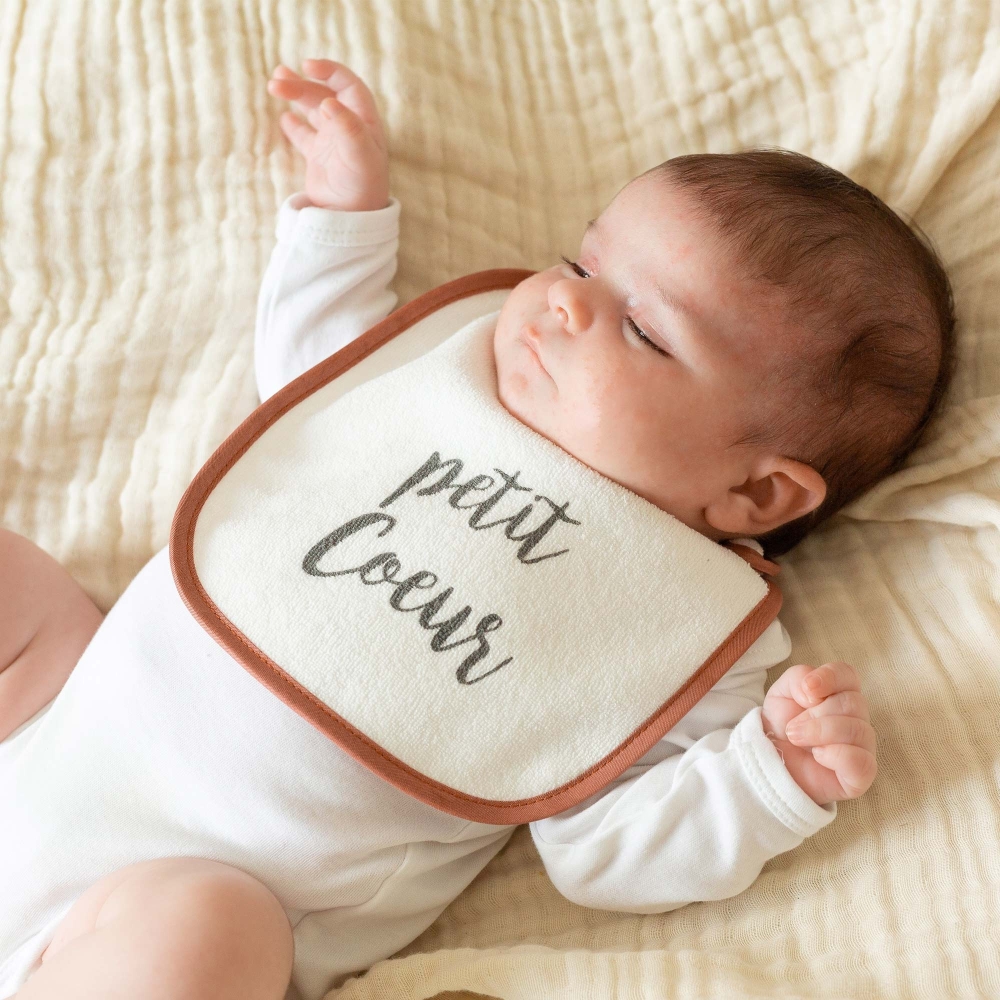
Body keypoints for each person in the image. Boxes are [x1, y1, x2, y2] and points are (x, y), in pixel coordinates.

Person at [1, 56, 954, 1000]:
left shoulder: (682, 631)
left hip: (183, 887)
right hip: (53, 723)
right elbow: (320, 375)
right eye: (582, 261)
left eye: (645, 331)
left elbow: (605, 853)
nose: (567, 298)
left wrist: (765, 780)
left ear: (757, 498)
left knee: (206, 928)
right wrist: (344, 212)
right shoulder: (452, 377)